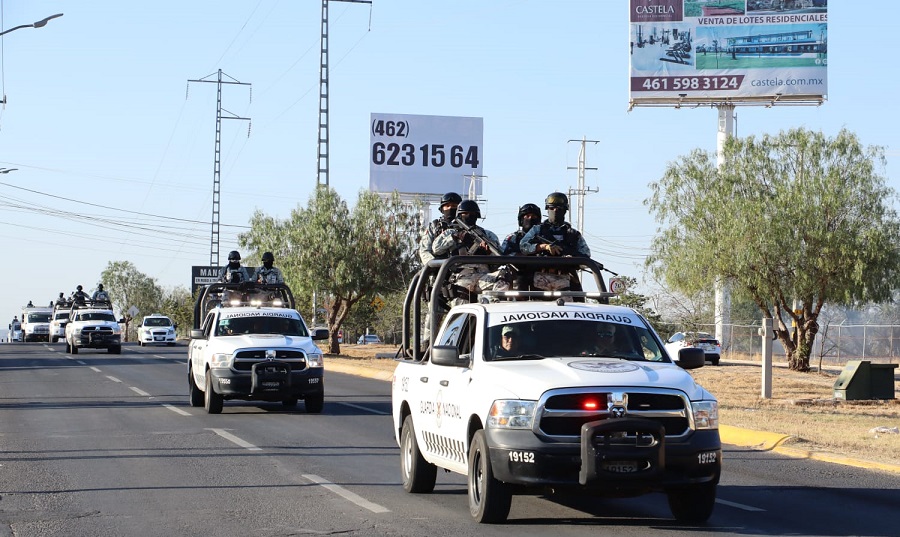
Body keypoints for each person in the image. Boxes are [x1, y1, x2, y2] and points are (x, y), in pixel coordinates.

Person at [519, 192, 591, 293]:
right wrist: (544, 247)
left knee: (577, 304)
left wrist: (573, 260)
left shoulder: (573, 234)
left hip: (566, 277)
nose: (555, 211)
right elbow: (523, 246)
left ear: (565, 210)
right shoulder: (537, 230)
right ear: (547, 209)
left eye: (559, 208)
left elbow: (586, 255)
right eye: (552, 208)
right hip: (540, 277)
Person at [432, 199, 500, 304]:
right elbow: (436, 249)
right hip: (462, 278)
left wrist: (487, 252)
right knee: (461, 316)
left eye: (472, 214)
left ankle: (496, 306)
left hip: (484, 277)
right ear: (459, 215)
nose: (469, 216)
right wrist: (454, 237)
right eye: (465, 213)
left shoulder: (487, 235)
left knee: (504, 276)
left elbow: (499, 256)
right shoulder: (450, 232)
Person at [418, 192, 462, 265]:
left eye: (454, 206)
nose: (450, 208)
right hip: (439, 271)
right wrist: (435, 265)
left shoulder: (467, 227)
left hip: (462, 270)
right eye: (447, 206)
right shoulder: (434, 226)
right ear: (442, 209)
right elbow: (424, 251)